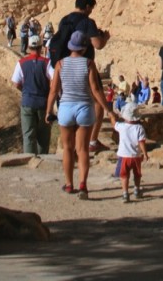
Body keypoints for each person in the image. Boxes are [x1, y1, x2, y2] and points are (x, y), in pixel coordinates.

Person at [45, 30, 111, 199]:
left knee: (67, 148)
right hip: (84, 108)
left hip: (66, 108)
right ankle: (83, 185)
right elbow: (95, 90)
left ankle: (69, 184)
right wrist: (108, 109)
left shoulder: (60, 64)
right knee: (82, 149)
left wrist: (48, 111)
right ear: (83, 48)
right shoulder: (89, 63)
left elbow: (54, 90)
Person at [50, 0, 109, 155]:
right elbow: (97, 45)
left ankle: (69, 146)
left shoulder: (65, 19)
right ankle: (91, 141)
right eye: (91, 8)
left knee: (69, 101)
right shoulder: (87, 22)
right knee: (97, 102)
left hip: (65, 65)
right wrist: (105, 38)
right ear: (88, 6)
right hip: (84, 65)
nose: (91, 11)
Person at [11, 35, 54, 154]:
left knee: (28, 135)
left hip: (27, 102)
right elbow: (54, 79)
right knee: (43, 137)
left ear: (29, 47)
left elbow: (15, 82)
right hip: (43, 103)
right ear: (40, 48)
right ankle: (43, 162)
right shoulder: (46, 63)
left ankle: (28, 160)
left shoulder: (21, 63)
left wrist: (24, 90)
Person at [109, 103, 148, 203]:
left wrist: (112, 116)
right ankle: (137, 190)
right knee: (137, 175)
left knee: (124, 175)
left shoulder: (122, 126)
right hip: (136, 156)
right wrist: (145, 153)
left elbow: (114, 124)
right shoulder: (139, 128)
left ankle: (125, 194)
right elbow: (141, 142)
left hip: (124, 156)